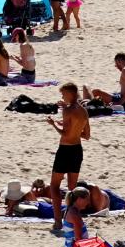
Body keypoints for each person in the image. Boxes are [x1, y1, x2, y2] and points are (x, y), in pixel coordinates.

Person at [46, 82, 89, 230]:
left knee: (54, 186)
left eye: (63, 93)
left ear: (70, 93)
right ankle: (72, 219)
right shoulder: (84, 111)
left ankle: (58, 221)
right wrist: (73, 131)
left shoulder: (68, 111)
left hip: (65, 150)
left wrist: (53, 124)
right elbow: (87, 135)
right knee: (72, 189)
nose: (62, 96)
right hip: (77, 150)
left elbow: (64, 133)